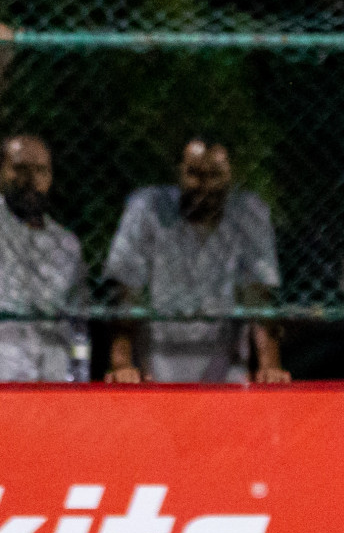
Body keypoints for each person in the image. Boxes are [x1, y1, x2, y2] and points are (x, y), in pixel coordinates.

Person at [103, 138, 290, 384]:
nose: (204, 186)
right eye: (193, 174)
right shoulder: (148, 208)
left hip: (226, 366)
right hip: (160, 361)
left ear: (231, 175)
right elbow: (128, 291)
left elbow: (259, 295)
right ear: (177, 171)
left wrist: (269, 365)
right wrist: (122, 362)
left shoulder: (248, 212)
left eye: (215, 175)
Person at [0, 135, 87, 382]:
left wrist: (79, 376)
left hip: (51, 381)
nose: (30, 180)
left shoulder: (67, 245)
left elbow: (79, 323)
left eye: (40, 170)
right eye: (20, 169)